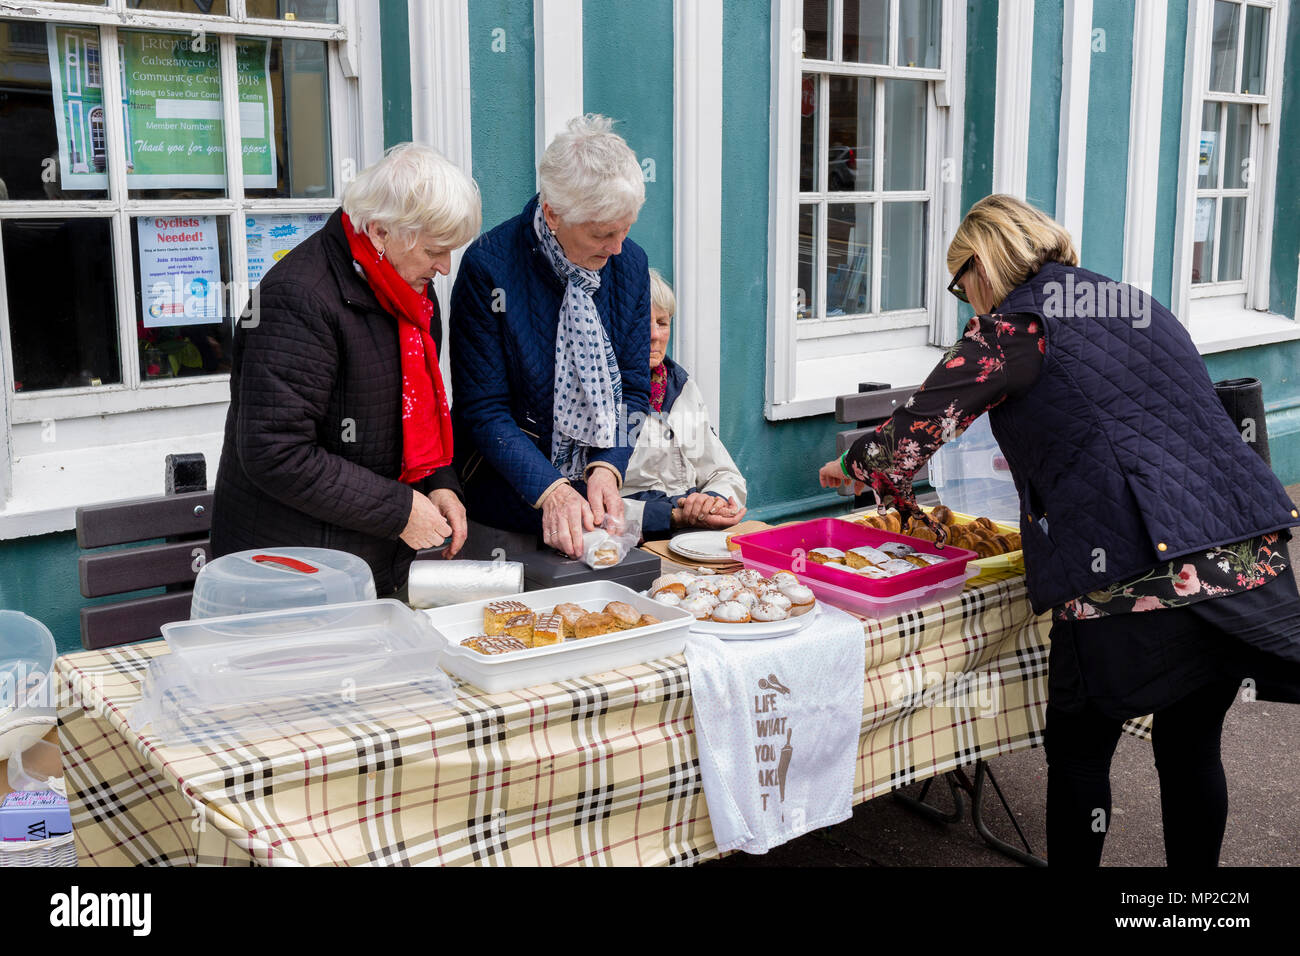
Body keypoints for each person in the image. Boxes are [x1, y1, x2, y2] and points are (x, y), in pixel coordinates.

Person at [819, 193, 1300, 867]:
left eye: (963, 285)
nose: (967, 304)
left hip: (1133, 568)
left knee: (1080, 749)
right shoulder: (1134, 302)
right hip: (1238, 551)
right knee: (1191, 745)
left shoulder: (1014, 328)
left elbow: (912, 436)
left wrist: (847, 465)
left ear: (983, 266)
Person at [212, 143, 482, 595]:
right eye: (436, 250)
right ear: (379, 232)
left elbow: (416, 411)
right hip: (290, 573)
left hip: (367, 563)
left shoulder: (409, 285)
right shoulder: (296, 298)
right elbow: (275, 452)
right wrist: (399, 511)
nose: (445, 266)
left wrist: (439, 483)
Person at [450, 114, 651, 559]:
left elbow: (634, 388)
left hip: (591, 504)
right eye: (602, 233)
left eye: (626, 229)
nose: (617, 247)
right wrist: (551, 490)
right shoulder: (488, 267)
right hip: (503, 502)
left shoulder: (630, 264)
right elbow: (483, 409)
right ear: (552, 214)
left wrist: (607, 468)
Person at [621, 269, 747, 539]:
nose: (654, 335)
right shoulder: (592, 397)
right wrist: (668, 516)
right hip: (629, 544)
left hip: (693, 533)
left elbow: (724, 472)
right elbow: (585, 504)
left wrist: (711, 501)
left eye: (663, 322)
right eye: (642, 321)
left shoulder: (681, 387)